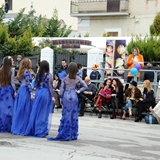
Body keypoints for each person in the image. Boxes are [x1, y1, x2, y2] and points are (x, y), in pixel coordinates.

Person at [48, 62, 87, 141]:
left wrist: (61, 99)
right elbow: (85, 86)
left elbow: (61, 90)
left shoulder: (65, 78)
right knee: (73, 114)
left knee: (66, 114)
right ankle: (73, 134)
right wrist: (79, 91)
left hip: (66, 95)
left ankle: (66, 133)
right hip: (74, 95)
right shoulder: (77, 77)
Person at [24, 60, 56, 138]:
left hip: (38, 93)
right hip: (45, 93)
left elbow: (36, 85)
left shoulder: (38, 74)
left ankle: (35, 129)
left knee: (36, 111)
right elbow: (50, 86)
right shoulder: (49, 75)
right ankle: (41, 130)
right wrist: (52, 96)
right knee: (44, 112)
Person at [11, 58, 34, 135]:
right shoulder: (27, 72)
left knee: (20, 109)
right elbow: (28, 84)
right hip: (25, 91)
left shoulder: (20, 72)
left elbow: (21, 82)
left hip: (21, 90)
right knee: (26, 109)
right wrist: (31, 93)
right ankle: (24, 127)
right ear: (27, 64)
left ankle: (19, 126)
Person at [0, 56, 16, 132]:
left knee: (2, 108)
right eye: (12, 60)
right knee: (10, 109)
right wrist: (15, 91)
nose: (13, 61)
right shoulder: (12, 70)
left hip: (2, 89)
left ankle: (2, 124)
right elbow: (12, 82)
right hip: (9, 90)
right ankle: (9, 125)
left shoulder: (1, 69)